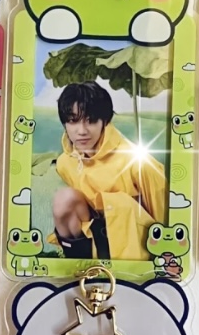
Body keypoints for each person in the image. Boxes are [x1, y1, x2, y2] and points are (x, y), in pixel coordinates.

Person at [51, 82, 168, 261]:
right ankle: (79, 264)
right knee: (64, 199)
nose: (81, 131)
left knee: (120, 204)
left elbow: (163, 215)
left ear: (104, 121)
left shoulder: (136, 161)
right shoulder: (65, 163)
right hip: (96, 240)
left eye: (91, 120)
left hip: (135, 247)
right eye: (73, 121)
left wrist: (166, 256)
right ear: (65, 123)